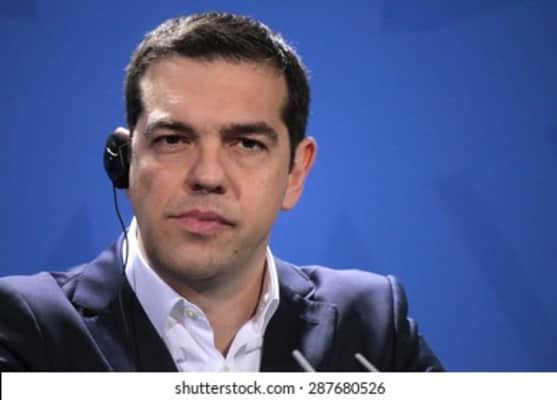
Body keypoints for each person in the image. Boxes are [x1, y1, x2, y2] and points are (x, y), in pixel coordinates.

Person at [0, 12, 443, 372]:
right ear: (124, 161)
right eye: (173, 140)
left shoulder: (371, 324)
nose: (207, 176)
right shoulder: (26, 326)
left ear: (295, 172)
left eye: (246, 144)